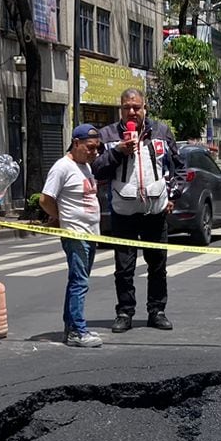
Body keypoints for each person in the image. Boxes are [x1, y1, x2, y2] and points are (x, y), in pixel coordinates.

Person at [93, 88, 178, 332]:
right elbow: (98, 170)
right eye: (126, 107)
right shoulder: (107, 135)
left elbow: (178, 166)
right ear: (120, 109)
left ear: (144, 108)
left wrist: (172, 195)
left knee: (158, 266)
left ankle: (157, 311)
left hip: (155, 212)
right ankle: (124, 312)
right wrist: (118, 152)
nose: (132, 112)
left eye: (136, 107)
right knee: (124, 268)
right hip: (123, 213)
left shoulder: (161, 132)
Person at [40, 125, 105, 348]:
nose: (94, 152)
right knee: (80, 282)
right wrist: (60, 218)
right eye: (90, 147)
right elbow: (45, 199)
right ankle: (77, 330)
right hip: (75, 234)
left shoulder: (85, 166)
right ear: (76, 143)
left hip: (90, 233)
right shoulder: (62, 167)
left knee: (78, 281)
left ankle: (71, 327)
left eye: (97, 148)